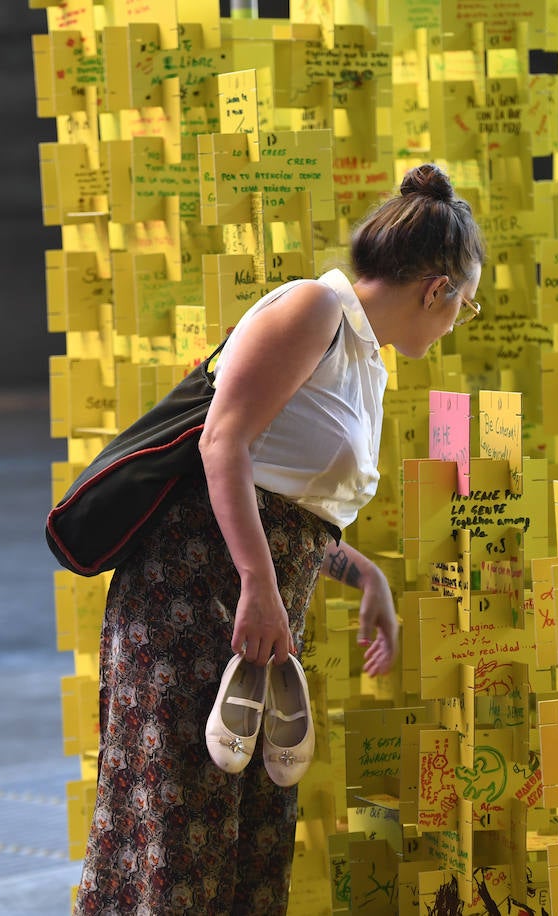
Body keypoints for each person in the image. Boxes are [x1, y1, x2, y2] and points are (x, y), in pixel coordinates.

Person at [74, 163, 485, 914]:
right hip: (191, 599)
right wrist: (260, 588)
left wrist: (366, 579)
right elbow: (221, 445)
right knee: (175, 834)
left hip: (253, 620)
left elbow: (288, 507)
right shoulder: (314, 308)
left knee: (243, 841)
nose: (460, 319)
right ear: (438, 290)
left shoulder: (366, 362)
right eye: (467, 304)